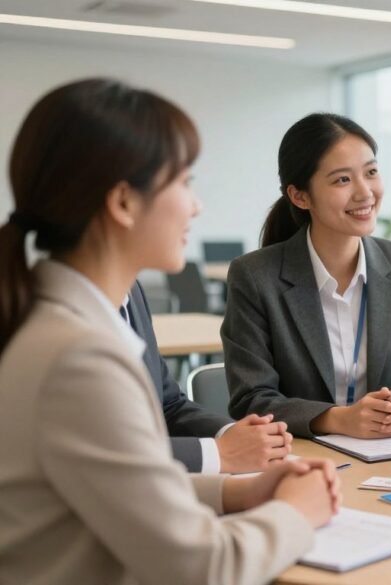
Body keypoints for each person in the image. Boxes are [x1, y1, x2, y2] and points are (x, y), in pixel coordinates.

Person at [0, 78, 340, 584]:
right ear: (123, 202)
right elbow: (204, 567)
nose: (195, 206)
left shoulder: (57, 326)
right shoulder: (78, 359)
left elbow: (122, 489)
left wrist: (240, 492)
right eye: (184, 183)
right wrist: (296, 512)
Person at [221, 113, 391, 440]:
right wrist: (338, 419)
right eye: (342, 180)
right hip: (304, 459)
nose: (365, 192)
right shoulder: (256, 277)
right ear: (300, 196)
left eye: (371, 172)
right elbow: (252, 398)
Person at [127, 281, 292, 473]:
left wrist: (233, 434)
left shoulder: (133, 292)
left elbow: (169, 404)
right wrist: (220, 451)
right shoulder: (88, 321)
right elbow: (111, 445)